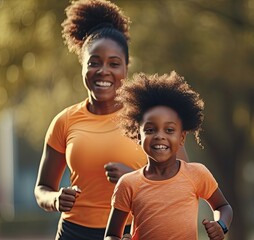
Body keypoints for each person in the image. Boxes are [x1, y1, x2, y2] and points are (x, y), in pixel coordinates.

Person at [33, 1, 188, 239]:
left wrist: (135, 177)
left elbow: (184, 184)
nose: (103, 71)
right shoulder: (64, 121)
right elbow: (42, 189)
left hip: (133, 232)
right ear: (83, 66)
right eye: (94, 62)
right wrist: (55, 199)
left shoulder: (150, 119)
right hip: (73, 233)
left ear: (126, 68)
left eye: (114, 64)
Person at [104, 71, 233, 240]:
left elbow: (223, 206)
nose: (159, 136)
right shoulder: (128, 183)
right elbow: (111, 235)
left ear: (181, 137)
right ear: (138, 135)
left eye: (169, 130)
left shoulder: (197, 174)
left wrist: (221, 226)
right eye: (150, 130)